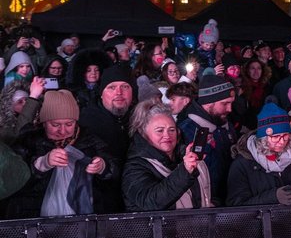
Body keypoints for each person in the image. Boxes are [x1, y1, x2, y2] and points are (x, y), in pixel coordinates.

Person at [7, 91, 116, 218]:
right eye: (55, 125)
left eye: (69, 124)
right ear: (43, 122)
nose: (62, 131)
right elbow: (10, 180)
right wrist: (41, 165)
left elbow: (114, 174)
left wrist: (103, 167)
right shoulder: (28, 140)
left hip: (82, 220)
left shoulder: (91, 141)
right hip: (34, 219)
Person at [123, 98, 212, 211]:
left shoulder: (188, 158)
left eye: (172, 130)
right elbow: (151, 202)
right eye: (160, 130)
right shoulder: (134, 168)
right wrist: (185, 171)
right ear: (143, 133)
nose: (167, 135)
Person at [226, 103, 291, 210]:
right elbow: (236, 206)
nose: (282, 141)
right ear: (263, 138)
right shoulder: (242, 164)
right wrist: (273, 197)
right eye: (275, 137)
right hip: (261, 221)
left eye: (285, 136)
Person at [77, 65, 135, 212]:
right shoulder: (87, 122)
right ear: (101, 94)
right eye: (112, 87)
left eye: (125, 87)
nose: (119, 92)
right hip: (101, 204)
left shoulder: (142, 119)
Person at [176, 74, 238, 206]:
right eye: (225, 103)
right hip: (206, 206)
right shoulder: (185, 131)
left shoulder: (225, 125)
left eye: (231, 103)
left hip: (230, 200)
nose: (230, 109)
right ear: (208, 102)